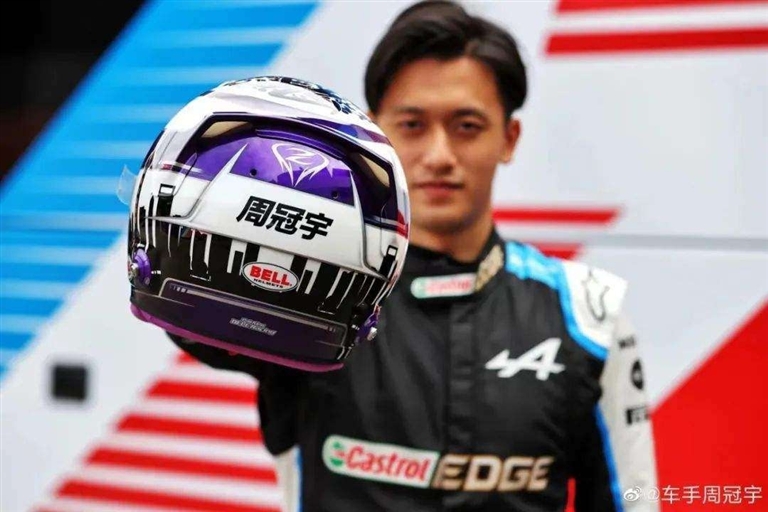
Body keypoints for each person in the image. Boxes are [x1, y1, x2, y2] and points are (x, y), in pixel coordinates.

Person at [169, 1, 659, 510]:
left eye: (466, 126)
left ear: (509, 138)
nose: (439, 155)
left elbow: (635, 500)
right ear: (374, 139)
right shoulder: (314, 294)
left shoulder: (588, 316)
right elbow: (194, 321)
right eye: (412, 125)